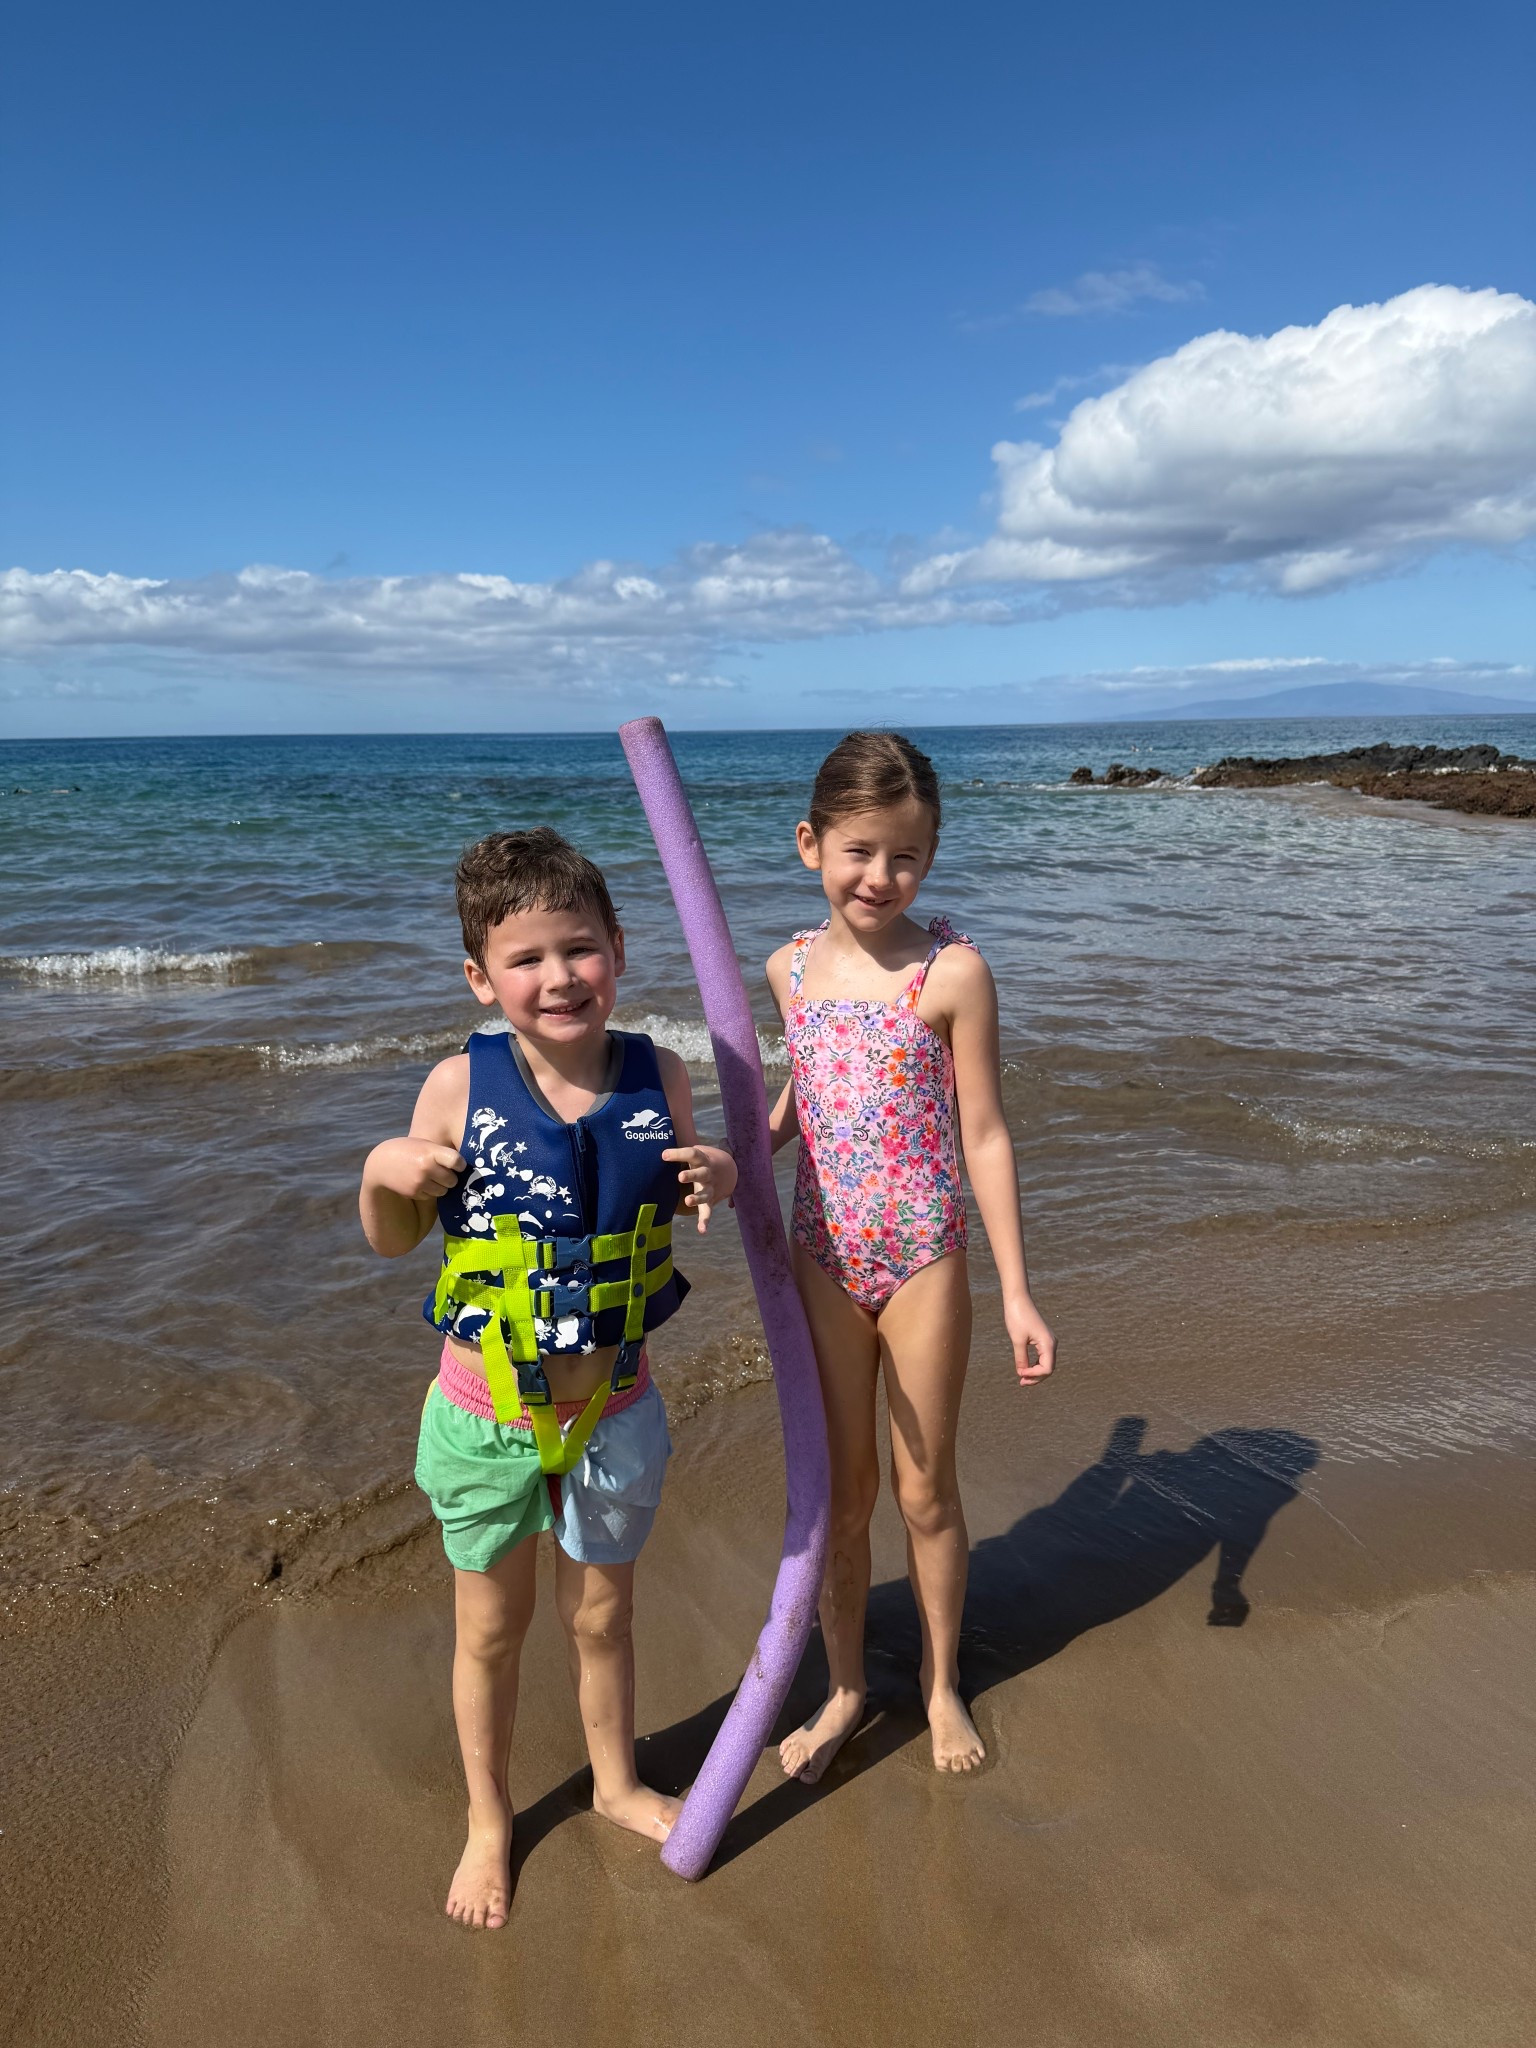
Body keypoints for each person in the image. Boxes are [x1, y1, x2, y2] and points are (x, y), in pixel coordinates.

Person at [359, 828, 736, 1931]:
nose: (558, 975)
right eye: (524, 958)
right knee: (492, 1626)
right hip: (485, 1415)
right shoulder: (454, 1085)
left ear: (618, 948)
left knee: (604, 1615)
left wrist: (711, 1170)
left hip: (616, 1409)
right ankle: (489, 1817)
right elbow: (391, 1239)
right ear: (481, 977)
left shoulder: (657, 1074)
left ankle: (614, 1780)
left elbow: (678, 1198)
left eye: (579, 948)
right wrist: (384, 1169)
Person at [766, 731, 1055, 1781]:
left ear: (928, 858)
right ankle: (845, 1686)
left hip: (925, 1255)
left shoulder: (953, 972)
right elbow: (812, 1094)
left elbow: (983, 1132)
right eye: (858, 851)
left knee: (925, 1486)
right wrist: (752, 1145)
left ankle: (938, 1684)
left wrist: (1017, 1290)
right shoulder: (788, 968)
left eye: (904, 856)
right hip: (822, 1257)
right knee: (841, 1495)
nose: (880, 876)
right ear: (811, 844)